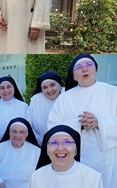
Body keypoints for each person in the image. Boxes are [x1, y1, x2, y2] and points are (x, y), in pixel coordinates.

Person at [47, 54, 117, 188]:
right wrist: (79, 124)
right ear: (74, 76)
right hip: (75, 155)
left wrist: (99, 123)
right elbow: (53, 126)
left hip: (107, 156)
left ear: (95, 69)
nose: (84, 69)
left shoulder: (113, 93)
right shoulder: (64, 98)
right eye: (79, 67)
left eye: (88, 65)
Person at [29, 125, 103, 188]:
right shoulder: (37, 177)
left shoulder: (93, 178)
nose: (60, 148)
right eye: (54, 143)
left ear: (76, 149)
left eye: (67, 142)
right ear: (46, 150)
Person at [0, 118, 40, 188]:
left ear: (26, 134)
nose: (17, 135)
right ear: (9, 132)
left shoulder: (36, 151)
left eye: (21, 132)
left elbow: (39, 175)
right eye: (14, 131)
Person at [0, 76, 29, 143]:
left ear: (14, 88)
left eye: (9, 87)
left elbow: (29, 127)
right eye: (2, 88)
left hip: (20, 145)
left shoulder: (24, 106)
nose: (6, 90)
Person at [26, 71, 63, 144]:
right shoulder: (36, 100)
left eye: (52, 85)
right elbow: (29, 124)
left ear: (59, 85)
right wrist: (39, 141)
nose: (49, 90)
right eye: (45, 87)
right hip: (43, 145)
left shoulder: (67, 96)